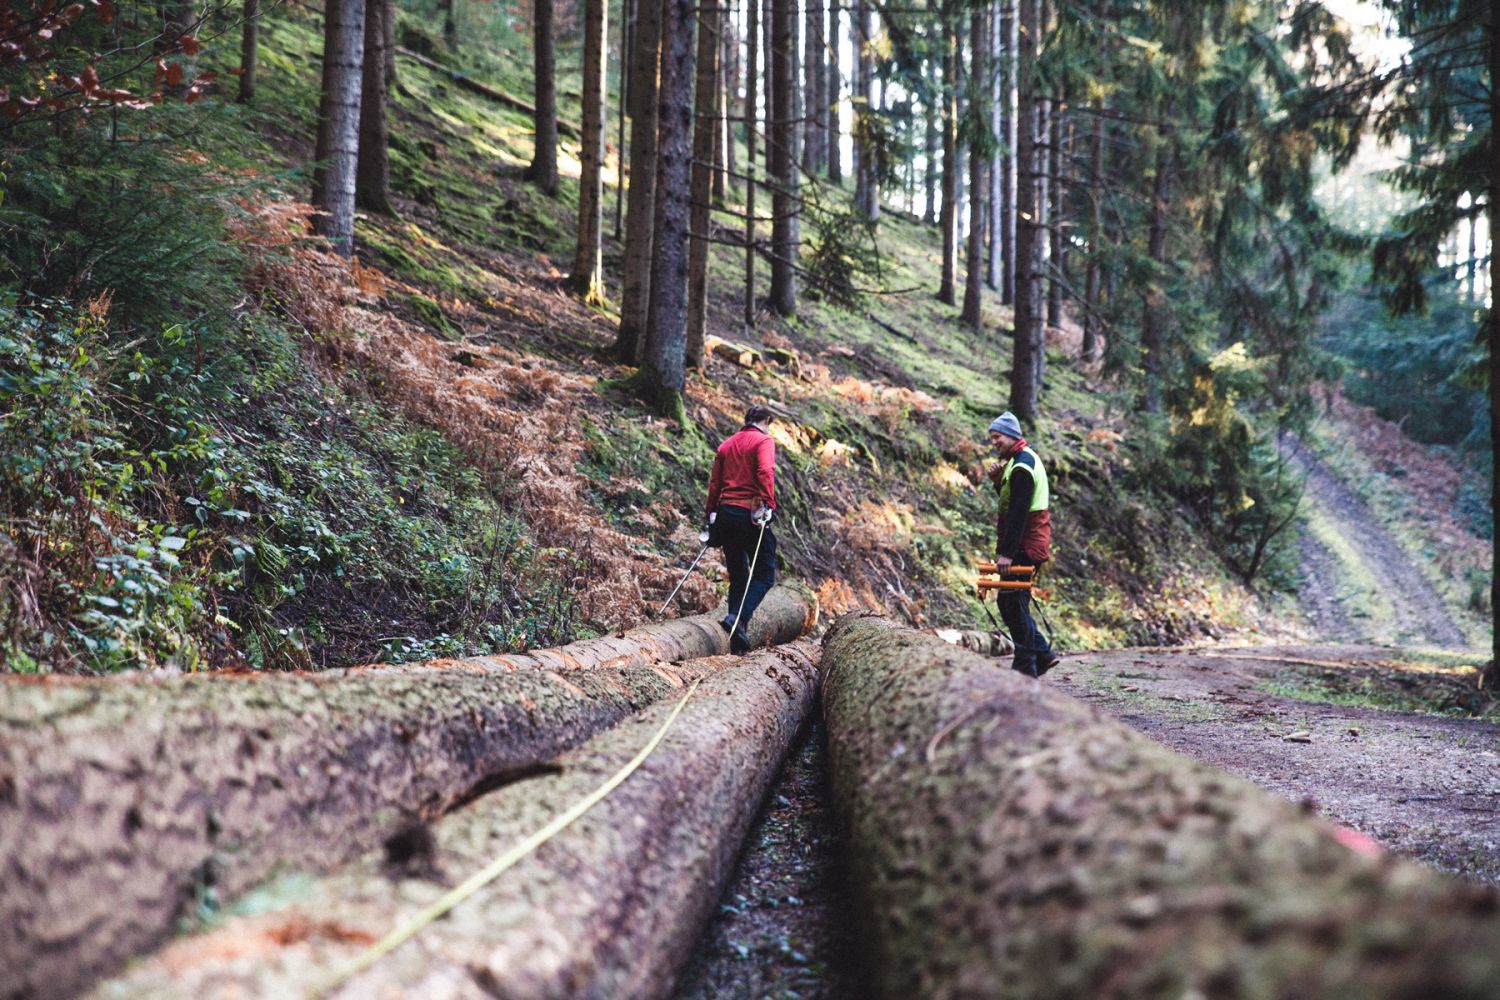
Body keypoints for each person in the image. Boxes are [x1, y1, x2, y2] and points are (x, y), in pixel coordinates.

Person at [985, 411, 1058, 677]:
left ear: (1012, 436)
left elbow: (1018, 513)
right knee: (1012, 603)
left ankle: (1026, 665)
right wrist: (997, 483)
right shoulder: (1019, 462)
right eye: (992, 438)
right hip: (1026, 543)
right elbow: (1011, 502)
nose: (994, 443)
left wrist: (1007, 553)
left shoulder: (1022, 466)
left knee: (1012, 603)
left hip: (1026, 545)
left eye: (998, 437)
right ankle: (1040, 655)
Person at [705, 404, 778, 654]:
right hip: (750, 514)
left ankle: (737, 636)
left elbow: (714, 484)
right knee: (765, 574)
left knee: (738, 574)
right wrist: (768, 502)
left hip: (725, 513)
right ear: (766, 419)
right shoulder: (763, 442)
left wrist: (710, 515)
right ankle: (737, 619)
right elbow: (765, 471)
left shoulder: (726, 445)